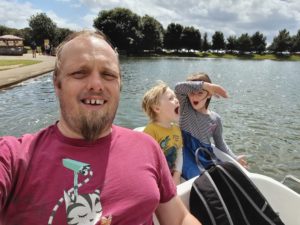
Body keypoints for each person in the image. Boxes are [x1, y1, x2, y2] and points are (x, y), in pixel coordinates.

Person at [0, 30, 202, 225]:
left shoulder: (148, 147)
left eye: (108, 75)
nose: (96, 84)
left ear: (119, 85)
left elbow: (179, 219)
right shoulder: (14, 157)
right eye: (80, 73)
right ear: (57, 84)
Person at [175, 72, 248, 180]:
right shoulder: (186, 108)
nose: (195, 96)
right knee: (198, 177)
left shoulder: (215, 119)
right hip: (185, 153)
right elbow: (178, 88)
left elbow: (220, 143)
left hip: (205, 154)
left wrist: (234, 158)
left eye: (200, 93)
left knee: (225, 175)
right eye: (191, 93)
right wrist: (206, 86)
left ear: (209, 94)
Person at [142, 81, 183, 185]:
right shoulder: (150, 131)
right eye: (171, 98)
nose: (177, 100)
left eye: (175, 97)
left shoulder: (177, 129)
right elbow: (145, 162)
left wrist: (177, 176)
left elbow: (179, 153)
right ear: (157, 108)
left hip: (172, 175)